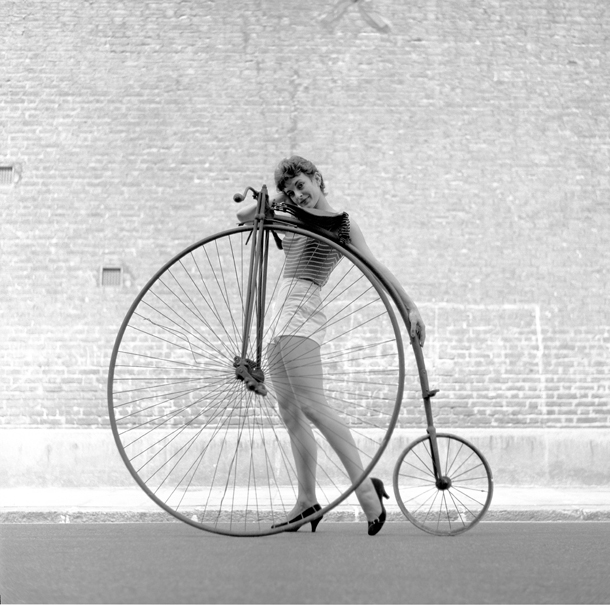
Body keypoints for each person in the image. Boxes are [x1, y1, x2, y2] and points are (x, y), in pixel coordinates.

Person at [236, 156, 426, 536]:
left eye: (301, 185)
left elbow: (375, 266)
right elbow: (244, 216)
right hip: (279, 319)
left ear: (317, 178)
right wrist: (276, 200)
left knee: (312, 405)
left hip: (302, 313)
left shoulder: (342, 224)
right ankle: (307, 501)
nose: (298, 194)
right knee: (291, 411)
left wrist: (409, 306)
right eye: (290, 191)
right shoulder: (292, 214)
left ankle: (365, 489)